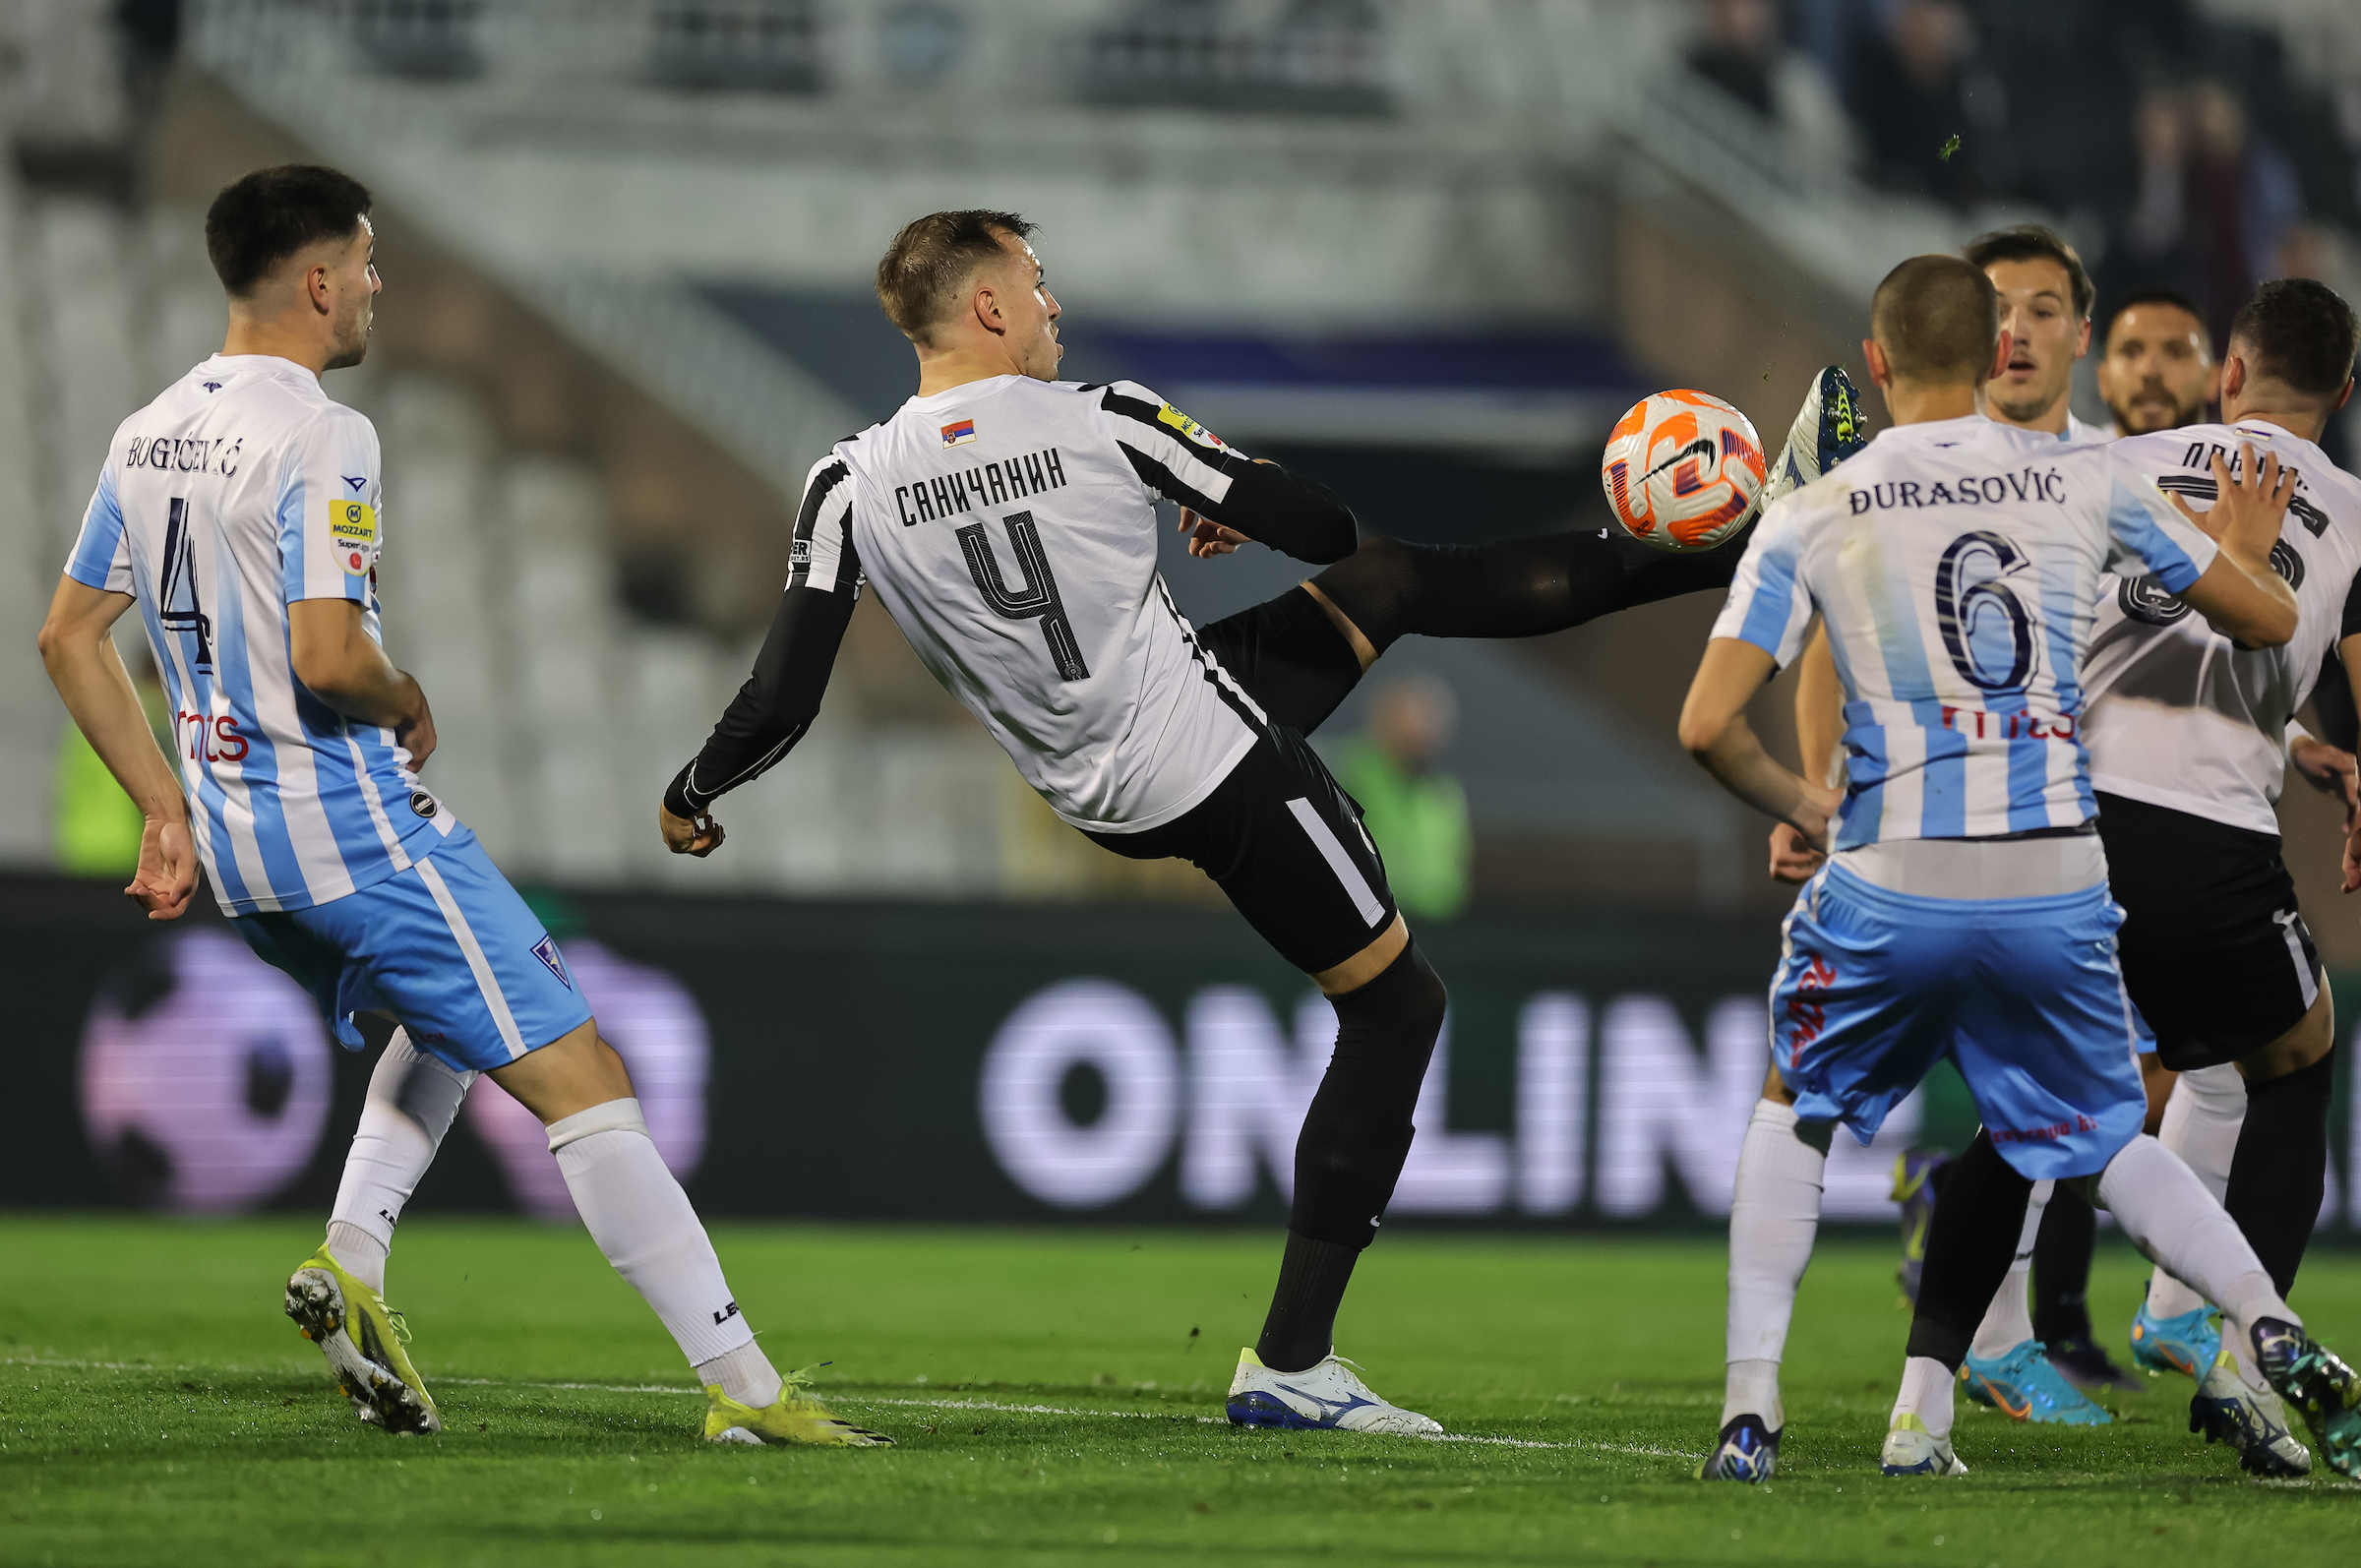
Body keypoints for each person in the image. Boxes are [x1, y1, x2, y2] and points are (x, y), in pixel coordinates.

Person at [656, 209, 1835, 1436]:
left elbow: (785, 688)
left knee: (1395, 587)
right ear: (989, 308)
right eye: (1037, 284)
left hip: (1092, 772)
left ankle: (1759, 535)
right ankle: (1291, 1360)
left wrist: (698, 789)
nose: (1054, 306)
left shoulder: (847, 481)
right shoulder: (1102, 416)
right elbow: (1314, 521)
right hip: (1209, 756)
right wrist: (1223, 500)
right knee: (1396, 1004)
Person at [35, 164, 885, 1450]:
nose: (379, 284)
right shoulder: (324, 434)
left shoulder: (145, 432)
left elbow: (66, 637)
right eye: (367, 261)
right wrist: (403, 685)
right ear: (317, 279)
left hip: (244, 852)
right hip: (353, 831)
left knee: (444, 1022)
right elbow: (330, 656)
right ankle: (747, 1393)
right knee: (587, 1077)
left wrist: (164, 805)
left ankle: (353, 1260)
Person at [1684, 251, 2358, 1483]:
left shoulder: (1829, 502)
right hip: (2072, 861)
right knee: (2156, 1112)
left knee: (1812, 1109)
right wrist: (2260, 584)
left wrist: (1807, 797)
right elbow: (2264, 621)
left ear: (1881, 362)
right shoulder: (2085, 478)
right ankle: (2256, 1327)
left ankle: (1772, 1408)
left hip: (1921, 851)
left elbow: (1711, 720)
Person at [1334, 676, 1471, 922]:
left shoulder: (1446, 792)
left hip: (1440, 924)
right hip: (1371, 922)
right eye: (1412, 725)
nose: (1421, 737)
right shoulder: (1351, 776)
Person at [2094, 285, 2218, 438]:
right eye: (2131, 352)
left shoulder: (2245, 458)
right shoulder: (2071, 460)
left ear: (2213, 379)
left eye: (2176, 353)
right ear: (2103, 379)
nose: (2150, 371)